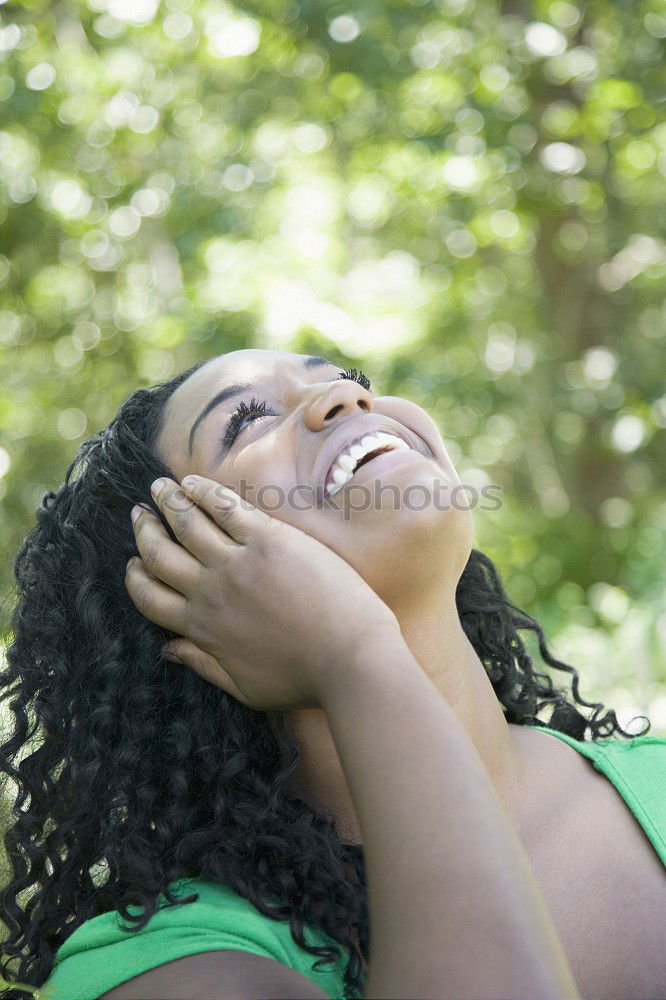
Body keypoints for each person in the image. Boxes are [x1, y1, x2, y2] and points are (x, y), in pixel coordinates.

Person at [1, 350, 663, 1000]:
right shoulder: (171, 967)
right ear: (168, 580)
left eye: (348, 382)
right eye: (249, 419)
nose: (347, 400)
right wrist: (355, 656)